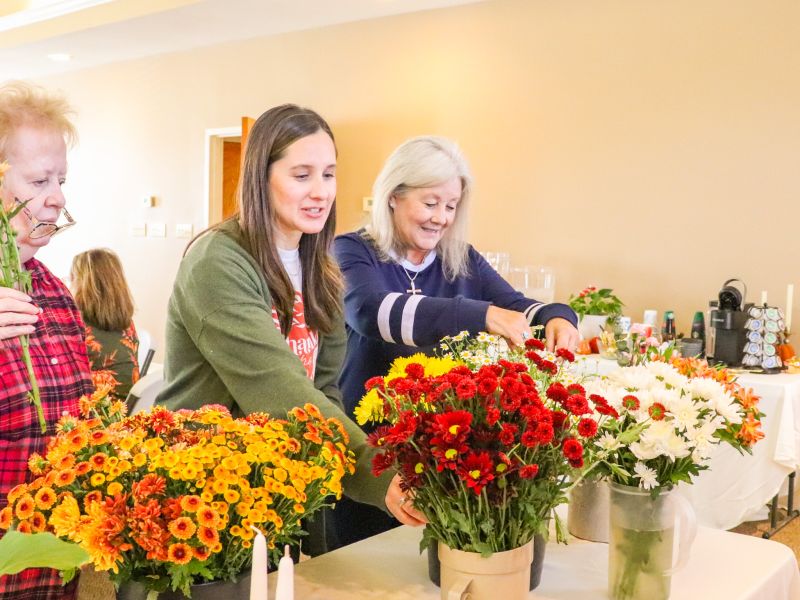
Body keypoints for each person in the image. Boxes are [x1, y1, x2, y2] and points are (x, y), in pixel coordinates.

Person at [156, 104, 424, 555]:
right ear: (261, 178)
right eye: (302, 175)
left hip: (279, 487)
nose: (320, 192)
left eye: (328, 174)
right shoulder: (218, 262)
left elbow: (324, 391)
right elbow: (281, 390)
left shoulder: (320, 267)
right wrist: (380, 473)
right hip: (203, 496)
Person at [330, 135, 580, 548]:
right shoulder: (353, 251)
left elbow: (516, 306)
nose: (441, 218)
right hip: (368, 459)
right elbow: (372, 312)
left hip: (441, 457)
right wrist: (478, 314)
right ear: (393, 196)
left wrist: (556, 317)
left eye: (451, 206)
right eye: (430, 203)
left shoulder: (460, 259)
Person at [0, 81, 93, 599]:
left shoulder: (55, 292)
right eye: (39, 181)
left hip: (53, 579)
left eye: (61, 179)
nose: (57, 198)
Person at [70, 248, 140, 400]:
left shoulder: (77, 324)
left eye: (72, 278)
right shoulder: (127, 320)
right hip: (127, 406)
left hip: (101, 413)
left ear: (82, 283)